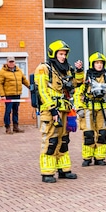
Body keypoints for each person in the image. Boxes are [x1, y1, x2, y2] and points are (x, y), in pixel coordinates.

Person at [34, 40, 84, 183]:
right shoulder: (44, 68)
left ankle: (64, 170)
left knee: (64, 141)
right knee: (51, 141)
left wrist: (79, 71)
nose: (63, 57)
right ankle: (47, 173)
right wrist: (53, 109)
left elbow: (76, 84)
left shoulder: (66, 69)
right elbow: (42, 91)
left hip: (65, 110)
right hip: (50, 111)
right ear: (53, 54)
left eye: (65, 54)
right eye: (60, 54)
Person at [76, 52, 106, 167]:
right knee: (88, 134)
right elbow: (78, 93)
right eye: (97, 63)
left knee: (102, 133)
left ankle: (99, 158)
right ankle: (87, 158)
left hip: (103, 109)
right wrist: (79, 108)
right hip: (88, 109)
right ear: (92, 64)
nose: (99, 65)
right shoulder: (86, 78)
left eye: (101, 63)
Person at [0, 57, 28, 134]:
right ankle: (7, 127)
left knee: (16, 111)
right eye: (10, 62)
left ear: (15, 62)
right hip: (8, 95)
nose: (11, 63)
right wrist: (2, 95)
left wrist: (31, 87)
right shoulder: (2, 72)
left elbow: (24, 80)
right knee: (8, 111)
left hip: (17, 94)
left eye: (12, 62)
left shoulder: (19, 70)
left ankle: (15, 127)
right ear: (7, 62)